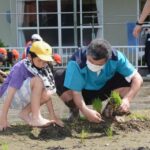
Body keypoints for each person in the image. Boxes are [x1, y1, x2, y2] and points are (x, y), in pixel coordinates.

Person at [54, 38, 143, 123]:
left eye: (98, 64)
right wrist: (85, 111)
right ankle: (75, 111)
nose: (93, 65)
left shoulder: (116, 57)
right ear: (87, 53)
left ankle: (109, 112)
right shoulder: (76, 61)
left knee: (128, 80)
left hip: (103, 90)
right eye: (90, 61)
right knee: (59, 77)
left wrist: (127, 99)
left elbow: (137, 78)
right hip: (81, 93)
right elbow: (76, 92)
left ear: (107, 60)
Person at [0, 41, 63, 131]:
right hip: (8, 95)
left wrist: (53, 117)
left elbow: (47, 94)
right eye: (39, 60)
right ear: (30, 57)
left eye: (45, 61)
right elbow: (10, 92)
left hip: (22, 96)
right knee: (38, 81)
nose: (42, 64)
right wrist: (3, 119)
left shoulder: (43, 67)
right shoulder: (20, 67)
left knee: (48, 93)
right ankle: (36, 117)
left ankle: (25, 113)